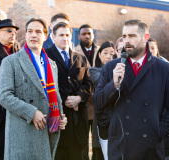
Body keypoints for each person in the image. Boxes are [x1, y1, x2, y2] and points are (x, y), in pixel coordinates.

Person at [93, 19, 169, 160]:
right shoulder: (111, 67)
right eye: (124, 36)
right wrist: (114, 85)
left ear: (145, 38)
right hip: (120, 148)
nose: (127, 41)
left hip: (150, 148)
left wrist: (158, 132)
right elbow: (98, 102)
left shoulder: (163, 68)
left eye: (132, 36)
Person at [0, 18, 67, 160]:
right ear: (25, 35)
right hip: (23, 134)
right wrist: (31, 112)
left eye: (38, 32)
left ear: (45, 36)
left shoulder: (52, 65)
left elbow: (54, 95)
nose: (33, 35)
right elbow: (3, 96)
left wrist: (59, 115)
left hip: (48, 132)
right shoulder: (10, 61)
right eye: (30, 31)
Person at [46, 22, 92, 160]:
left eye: (67, 35)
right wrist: (67, 99)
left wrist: (78, 98)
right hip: (58, 120)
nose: (64, 38)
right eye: (61, 35)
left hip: (78, 122)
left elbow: (88, 83)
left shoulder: (80, 58)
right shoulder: (46, 56)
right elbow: (48, 84)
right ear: (53, 37)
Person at [0, 19, 20, 160]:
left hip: (17, 109)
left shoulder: (18, 50)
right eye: (9, 30)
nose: (13, 33)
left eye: (15, 31)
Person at [75, 24, 100, 160]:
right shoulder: (74, 51)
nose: (87, 36)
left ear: (93, 35)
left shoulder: (101, 50)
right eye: (84, 34)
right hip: (83, 102)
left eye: (89, 33)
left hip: (99, 102)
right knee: (83, 139)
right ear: (79, 36)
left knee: (97, 141)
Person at [90, 41, 115, 160]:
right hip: (100, 115)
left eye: (112, 53)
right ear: (99, 54)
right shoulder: (93, 70)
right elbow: (99, 81)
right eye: (105, 53)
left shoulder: (119, 69)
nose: (109, 56)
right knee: (99, 150)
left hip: (115, 115)